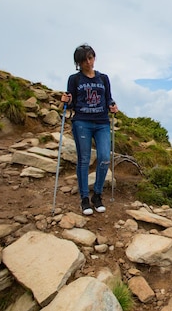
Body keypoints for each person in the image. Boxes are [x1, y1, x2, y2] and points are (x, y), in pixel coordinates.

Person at [60, 44, 118, 215]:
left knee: (104, 157)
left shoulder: (104, 78)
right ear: (78, 62)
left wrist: (112, 105)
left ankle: (97, 195)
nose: (89, 62)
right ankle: (84, 199)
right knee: (84, 160)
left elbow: (108, 98)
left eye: (91, 58)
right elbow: (70, 101)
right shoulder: (74, 79)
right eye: (84, 60)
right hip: (82, 122)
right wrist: (65, 100)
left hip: (102, 122)